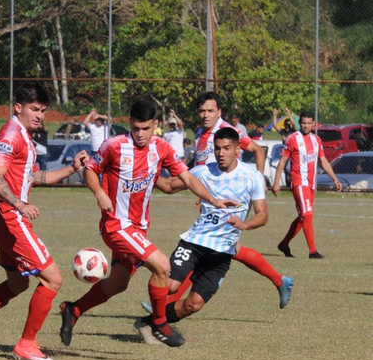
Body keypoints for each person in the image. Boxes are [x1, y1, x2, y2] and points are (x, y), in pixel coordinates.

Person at [58, 98, 235, 348]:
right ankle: (159, 324)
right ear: (130, 124)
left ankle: (73, 310)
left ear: (156, 124)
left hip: (138, 228)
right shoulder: (115, 146)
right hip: (117, 225)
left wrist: (212, 199)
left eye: (146, 128)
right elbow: (90, 170)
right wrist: (99, 193)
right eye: (135, 128)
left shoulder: (161, 148)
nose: (140, 134)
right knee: (163, 267)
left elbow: (186, 177)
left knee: (118, 284)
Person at [0, 82, 89, 360]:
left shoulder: (24, 136)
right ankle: (26, 344)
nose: (39, 115)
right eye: (34, 109)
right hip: (8, 215)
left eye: (43, 110)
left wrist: (72, 169)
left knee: (17, 284)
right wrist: (20, 205)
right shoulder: (11, 135)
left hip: (4, 215)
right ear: (18, 108)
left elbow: (35, 178)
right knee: (53, 279)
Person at [136, 128, 268, 344]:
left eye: (226, 148)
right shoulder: (202, 171)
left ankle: (149, 322)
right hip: (194, 243)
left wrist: (244, 224)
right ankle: (158, 323)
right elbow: (169, 186)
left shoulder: (253, 177)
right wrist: (144, 170)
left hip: (222, 252)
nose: (221, 153)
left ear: (237, 149)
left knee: (193, 304)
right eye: (217, 149)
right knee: (170, 286)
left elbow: (262, 215)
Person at [172, 92, 293, 310]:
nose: (205, 115)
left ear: (219, 112)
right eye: (202, 111)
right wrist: (204, 194)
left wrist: (256, 181)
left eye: (210, 111)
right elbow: (202, 167)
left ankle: (165, 303)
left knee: (211, 247)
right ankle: (279, 280)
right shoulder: (201, 132)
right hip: (214, 200)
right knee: (223, 249)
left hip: (231, 199)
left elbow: (256, 150)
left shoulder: (227, 131)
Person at [272, 111, 342, 259]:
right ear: (300, 123)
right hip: (298, 182)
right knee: (308, 215)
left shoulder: (317, 140)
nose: (305, 125)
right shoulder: (293, 139)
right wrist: (276, 182)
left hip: (311, 184)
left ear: (313, 124)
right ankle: (312, 251)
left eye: (309, 123)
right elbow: (283, 161)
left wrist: (335, 179)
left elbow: (323, 161)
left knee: (303, 217)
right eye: (303, 122)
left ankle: (284, 244)